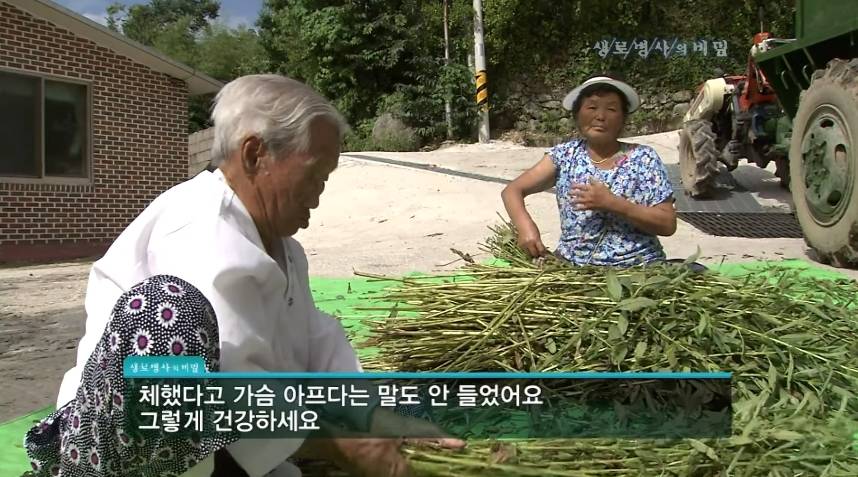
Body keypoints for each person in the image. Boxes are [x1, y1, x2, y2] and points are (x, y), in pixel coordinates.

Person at [49, 74, 463, 477]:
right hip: (122, 449)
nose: (318, 195)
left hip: (221, 446)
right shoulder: (199, 229)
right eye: (314, 175)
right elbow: (228, 385)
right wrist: (346, 444)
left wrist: (374, 416)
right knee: (170, 312)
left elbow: (316, 343)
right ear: (254, 155)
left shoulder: (284, 248)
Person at [502, 74, 679, 268]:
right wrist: (525, 227)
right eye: (592, 107)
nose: (600, 116)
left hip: (639, 269)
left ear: (623, 119)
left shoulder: (643, 158)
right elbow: (512, 191)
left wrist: (614, 204)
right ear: (577, 115)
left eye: (611, 109)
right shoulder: (565, 155)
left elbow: (667, 223)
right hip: (575, 270)